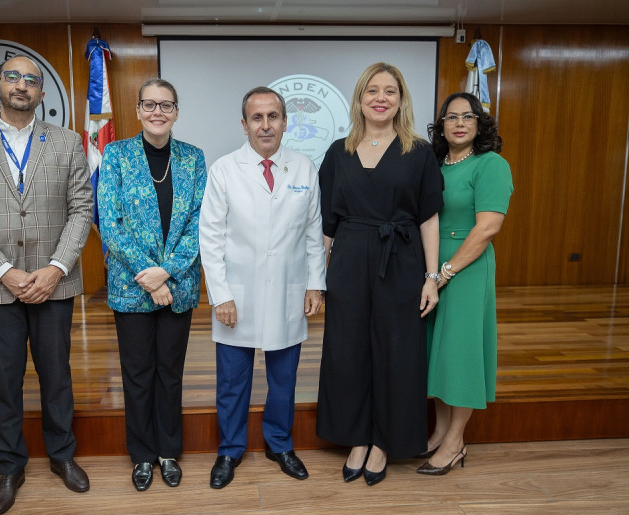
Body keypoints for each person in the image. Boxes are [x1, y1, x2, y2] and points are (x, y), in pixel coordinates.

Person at [0, 55, 93, 515]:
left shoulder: (68, 143)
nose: (22, 86)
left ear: (42, 94)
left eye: (32, 80)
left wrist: (54, 268)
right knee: (3, 381)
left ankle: (62, 457)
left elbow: (81, 210)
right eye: (13, 77)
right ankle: (9, 467)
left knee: (57, 376)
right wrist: (5, 270)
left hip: (54, 282)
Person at [315, 62, 444, 486]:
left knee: (397, 351)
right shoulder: (338, 151)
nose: (381, 98)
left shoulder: (419, 151)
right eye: (373, 90)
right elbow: (326, 226)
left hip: (401, 260)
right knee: (347, 349)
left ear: (401, 100)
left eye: (390, 91)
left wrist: (431, 277)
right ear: (360, 99)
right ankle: (355, 436)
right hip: (350, 259)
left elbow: (428, 219)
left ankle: (385, 441)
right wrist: (318, 278)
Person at [199, 86, 326, 489]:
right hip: (237, 294)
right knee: (232, 382)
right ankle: (230, 450)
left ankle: (279, 444)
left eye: (273, 116)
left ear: (285, 122)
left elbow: (313, 233)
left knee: (284, 380)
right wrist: (221, 295)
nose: (266, 125)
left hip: (289, 290)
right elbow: (210, 237)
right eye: (257, 117)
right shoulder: (224, 169)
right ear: (244, 124)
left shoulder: (304, 168)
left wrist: (315, 285)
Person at [97, 78, 207, 491]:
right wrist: (150, 276)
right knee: (138, 374)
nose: (158, 111)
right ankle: (143, 456)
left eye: (166, 105)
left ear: (176, 111)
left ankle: (168, 452)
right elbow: (111, 224)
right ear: (138, 109)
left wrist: (168, 273)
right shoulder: (116, 154)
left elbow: (200, 222)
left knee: (170, 373)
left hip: (177, 286)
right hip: (131, 287)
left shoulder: (193, 158)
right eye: (150, 104)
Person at [418, 92, 513, 475]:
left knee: (460, 354)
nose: (459, 123)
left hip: (466, 267)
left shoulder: (492, 165)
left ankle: (456, 441)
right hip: (432, 266)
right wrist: (430, 273)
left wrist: (443, 274)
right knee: (437, 352)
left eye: (468, 116)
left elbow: (488, 228)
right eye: (451, 117)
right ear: (441, 125)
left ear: (479, 124)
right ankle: (440, 431)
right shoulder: (435, 164)